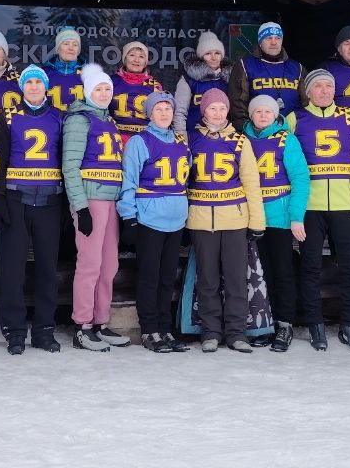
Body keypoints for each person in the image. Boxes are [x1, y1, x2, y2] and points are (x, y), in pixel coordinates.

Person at [286, 69, 350, 352]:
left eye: (328, 86)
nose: (323, 90)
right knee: (310, 267)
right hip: (310, 206)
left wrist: (348, 186)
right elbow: (288, 160)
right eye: (317, 86)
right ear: (308, 92)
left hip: (344, 204)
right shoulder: (295, 119)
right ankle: (315, 324)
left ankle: (349, 325)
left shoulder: (349, 117)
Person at [0, 66, 65, 354]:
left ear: (46, 87)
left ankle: (44, 329)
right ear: (21, 87)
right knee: (13, 268)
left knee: (47, 268)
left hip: (49, 201)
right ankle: (14, 329)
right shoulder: (9, 116)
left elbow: (63, 157)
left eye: (38, 82)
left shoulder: (59, 116)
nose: (34, 86)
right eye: (29, 82)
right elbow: (0, 156)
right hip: (16, 199)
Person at [187, 88, 266, 353]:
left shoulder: (240, 142)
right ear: (204, 111)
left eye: (222, 108)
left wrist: (257, 221)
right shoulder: (191, 140)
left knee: (235, 279)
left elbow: (251, 182)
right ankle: (210, 331)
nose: (218, 113)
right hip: (200, 220)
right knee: (207, 279)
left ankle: (236, 332)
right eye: (212, 108)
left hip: (234, 219)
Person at [62, 63, 130, 352]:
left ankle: (101, 321)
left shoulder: (109, 121)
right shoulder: (80, 120)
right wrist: (81, 207)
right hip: (91, 200)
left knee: (109, 264)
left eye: (107, 89)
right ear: (88, 91)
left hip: (111, 199)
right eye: (98, 89)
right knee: (89, 264)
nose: (103, 93)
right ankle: (83, 324)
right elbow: (70, 167)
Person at [118, 89, 191, 353]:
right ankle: (150, 330)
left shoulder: (181, 142)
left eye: (168, 109)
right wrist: (129, 217)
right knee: (149, 277)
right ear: (150, 113)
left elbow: (186, 179)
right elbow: (129, 181)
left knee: (167, 278)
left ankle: (165, 328)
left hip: (176, 220)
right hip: (149, 219)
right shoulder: (140, 142)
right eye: (158, 109)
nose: (164, 113)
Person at [243, 94, 310, 353]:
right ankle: (264, 324)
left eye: (267, 112)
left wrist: (296, 217)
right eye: (258, 111)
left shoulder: (286, 140)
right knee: (259, 274)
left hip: (280, 219)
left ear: (275, 115)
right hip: (251, 219)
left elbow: (300, 179)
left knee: (282, 272)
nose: (262, 116)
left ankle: (285, 323)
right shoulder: (243, 140)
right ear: (251, 115)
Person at [228, 21, 303, 121]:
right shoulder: (244, 65)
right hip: (258, 131)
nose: (273, 42)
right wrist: (246, 127)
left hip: (291, 130)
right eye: (268, 38)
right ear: (260, 42)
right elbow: (237, 103)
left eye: (278, 38)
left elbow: (307, 102)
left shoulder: (297, 67)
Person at [174, 30, 231, 135]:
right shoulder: (189, 78)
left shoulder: (230, 77)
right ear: (201, 56)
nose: (213, 57)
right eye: (208, 53)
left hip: (224, 138)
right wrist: (181, 137)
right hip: (194, 136)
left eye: (217, 53)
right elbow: (180, 111)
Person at [110, 40, 164, 141]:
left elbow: (161, 118)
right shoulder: (111, 82)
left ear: (145, 62)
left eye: (141, 57)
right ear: (124, 59)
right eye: (132, 55)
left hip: (144, 140)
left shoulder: (154, 86)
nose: (136, 60)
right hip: (116, 140)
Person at [43, 25, 86, 111]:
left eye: (75, 45)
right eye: (66, 44)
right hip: (51, 123)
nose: (71, 48)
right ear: (58, 48)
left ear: (78, 50)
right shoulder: (44, 74)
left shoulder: (88, 75)